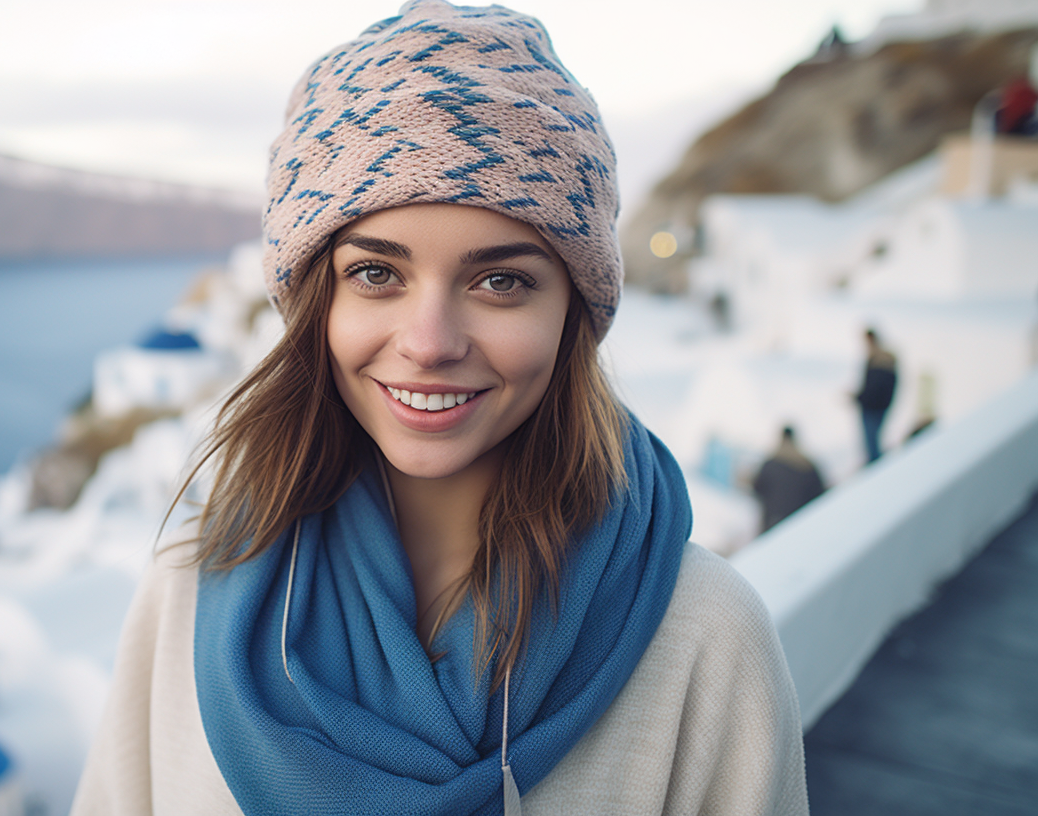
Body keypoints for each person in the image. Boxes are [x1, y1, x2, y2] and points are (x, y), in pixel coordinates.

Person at [71, 3, 807, 814]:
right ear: (315, 302)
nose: (428, 343)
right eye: (376, 274)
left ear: (575, 313)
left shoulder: (703, 639)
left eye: (501, 281)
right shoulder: (191, 592)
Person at [753, 426, 826, 534]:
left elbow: (757, 488)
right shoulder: (807, 465)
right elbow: (819, 493)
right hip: (800, 522)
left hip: (773, 521)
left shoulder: (770, 463)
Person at [854, 328, 898, 464]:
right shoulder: (879, 358)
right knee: (872, 442)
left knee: (872, 444)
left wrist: (860, 398)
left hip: (873, 408)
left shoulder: (880, 359)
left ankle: (876, 470)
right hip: (875, 406)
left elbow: (874, 388)